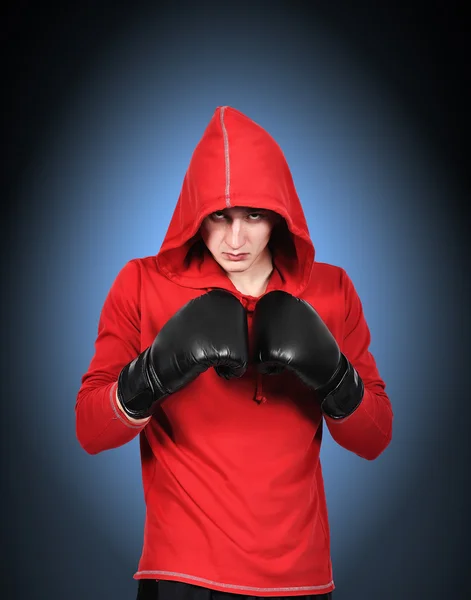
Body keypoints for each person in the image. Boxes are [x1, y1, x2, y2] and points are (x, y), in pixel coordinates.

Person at [75, 106, 393, 600]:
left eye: (255, 215)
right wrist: (153, 374)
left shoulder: (332, 289)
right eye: (220, 216)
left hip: (301, 579)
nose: (236, 239)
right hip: (183, 574)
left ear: (281, 215)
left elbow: (374, 438)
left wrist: (333, 377)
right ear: (194, 212)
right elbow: (90, 430)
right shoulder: (140, 283)